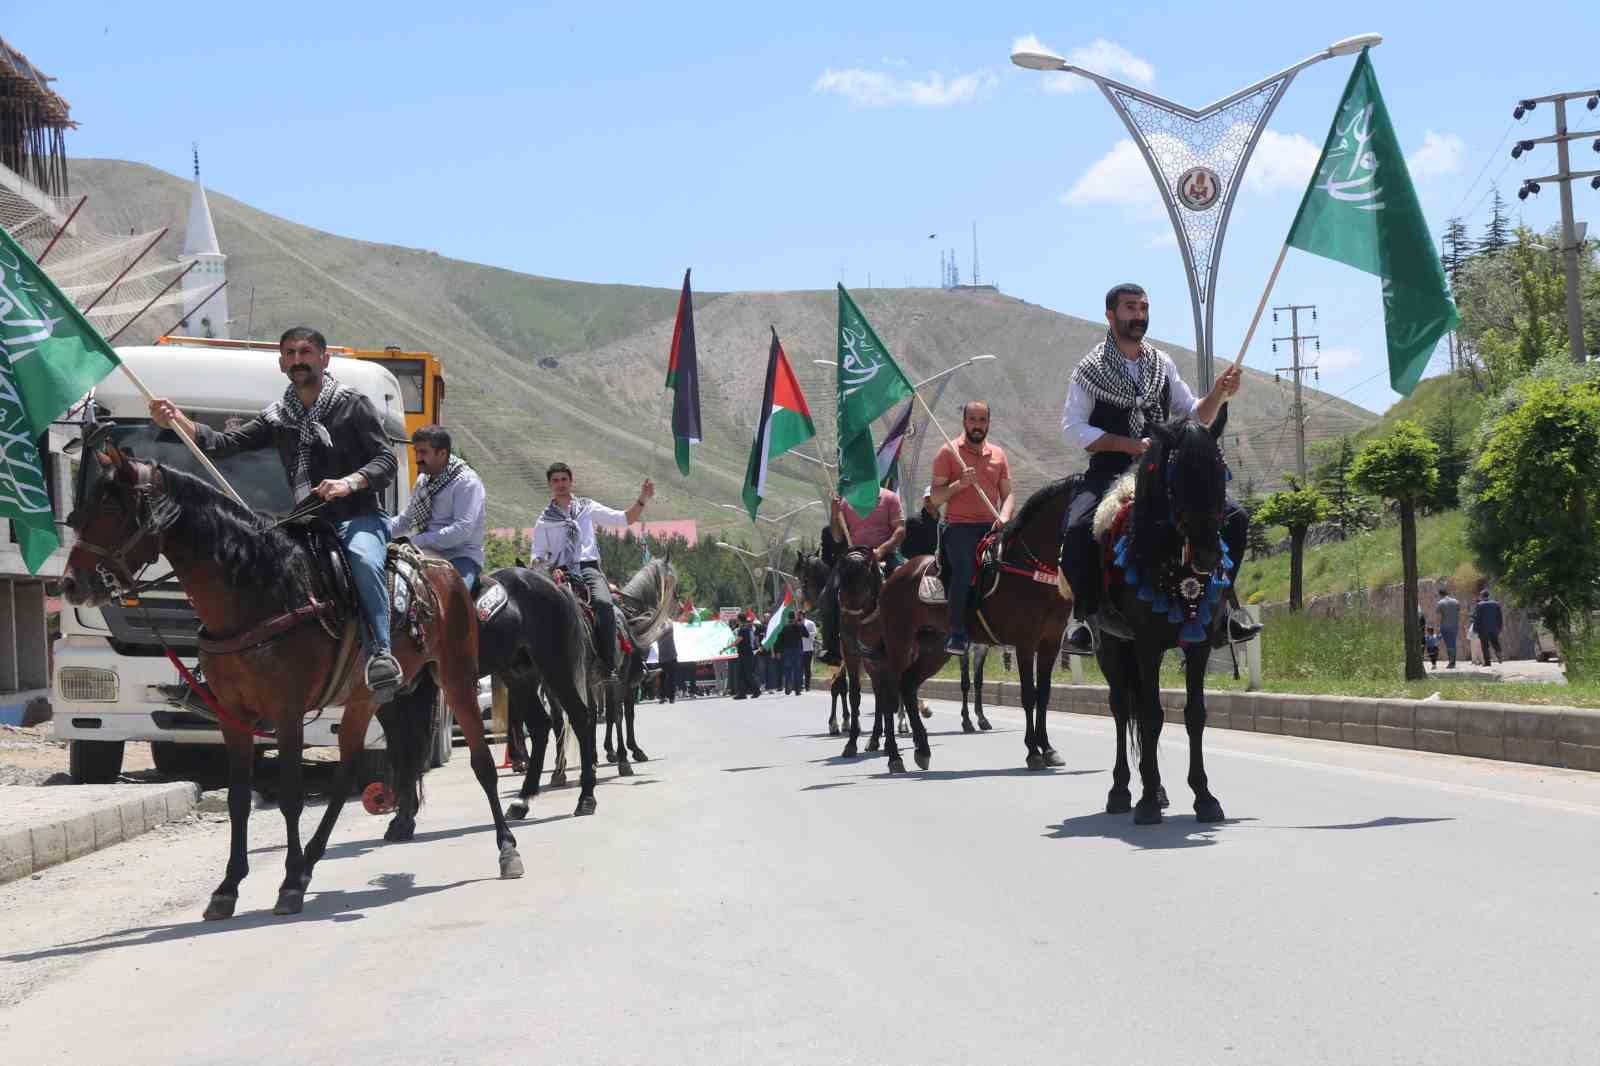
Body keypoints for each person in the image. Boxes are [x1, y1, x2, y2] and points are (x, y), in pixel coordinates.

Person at [148, 327, 404, 702]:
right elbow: (223, 444)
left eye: (306, 352)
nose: (298, 360)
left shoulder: (353, 404)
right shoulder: (278, 416)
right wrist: (177, 420)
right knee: (241, 565)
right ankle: (215, 671)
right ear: (281, 362)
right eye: (290, 353)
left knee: (364, 560)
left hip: (357, 516)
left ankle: (381, 655)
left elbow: (386, 461)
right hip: (307, 520)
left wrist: (348, 483)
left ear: (323, 359)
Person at [1059, 283, 1262, 655]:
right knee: (1076, 529)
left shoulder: (1161, 363)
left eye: (1143, 308)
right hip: (1110, 468)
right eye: (1130, 308)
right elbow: (1074, 427)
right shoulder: (1088, 370)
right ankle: (1085, 620)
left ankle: (1226, 611)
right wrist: (1131, 445)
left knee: (1233, 517)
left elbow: (1193, 415)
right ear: (1110, 315)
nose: (1138, 315)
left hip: (1163, 470)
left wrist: (1218, 392)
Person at [530, 461, 654, 681]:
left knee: (604, 603)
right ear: (549, 484)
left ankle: (608, 664)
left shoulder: (587, 507)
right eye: (555, 480)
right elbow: (537, 554)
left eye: (564, 479)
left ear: (571, 481)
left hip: (587, 568)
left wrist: (642, 498)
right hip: (559, 571)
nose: (560, 484)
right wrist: (542, 567)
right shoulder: (544, 520)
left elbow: (625, 518)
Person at [930, 401, 1014, 655]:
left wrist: (1005, 517)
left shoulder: (999, 454)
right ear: (964, 421)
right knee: (964, 569)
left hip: (992, 526)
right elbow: (935, 497)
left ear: (988, 423)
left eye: (982, 420)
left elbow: (1008, 495)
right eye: (973, 420)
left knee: (1015, 566)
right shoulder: (948, 452)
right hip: (960, 527)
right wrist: (959, 484)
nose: (977, 425)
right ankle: (957, 633)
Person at [816, 485, 907, 665]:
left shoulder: (889, 498)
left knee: (905, 587)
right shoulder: (846, 501)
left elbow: (900, 530)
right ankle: (831, 648)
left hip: (884, 553)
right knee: (828, 595)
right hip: (854, 557)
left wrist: (881, 550)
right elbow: (837, 536)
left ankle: (908, 639)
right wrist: (835, 514)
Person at [390, 424, 485, 589]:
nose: (417, 458)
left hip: (460, 557)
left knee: (453, 600)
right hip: (424, 554)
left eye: (423, 452)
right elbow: (406, 520)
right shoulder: (424, 480)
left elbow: (461, 530)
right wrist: (378, 531)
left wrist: (417, 541)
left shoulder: (466, 482)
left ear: (442, 453)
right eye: (416, 451)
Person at [1471, 588, 1504, 665]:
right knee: (1495, 643)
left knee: (1485, 645)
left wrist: (1475, 629)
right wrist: (1500, 627)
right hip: (1494, 628)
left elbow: (1477, 618)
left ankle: (1487, 662)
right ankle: (1499, 653)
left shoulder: (1479, 605)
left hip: (1483, 629)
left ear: (1481, 596)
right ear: (1488, 595)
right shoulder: (1496, 604)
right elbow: (1500, 617)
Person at [779, 611, 806, 694]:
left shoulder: (784, 627)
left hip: (787, 650)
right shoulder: (800, 625)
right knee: (797, 669)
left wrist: (779, 650)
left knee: (788, 669)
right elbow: (807, 635)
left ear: (788, 617)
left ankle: (788, 687)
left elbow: (781, 639)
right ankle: (797, 689)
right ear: (795, 617)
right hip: (797, 649)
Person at [1435, 586, 1461, 669]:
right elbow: (1459, 613)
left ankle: (1452, 662)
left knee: (1449, 644)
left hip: (1445, 626)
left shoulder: (1440, 603)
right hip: (1454, 626)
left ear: (1440, 594)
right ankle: (1452, 662)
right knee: (1452, 643)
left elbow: (1438, 617)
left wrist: (1438, 628)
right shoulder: (1456, 601)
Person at [656, 622, 678, 704]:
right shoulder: (660, 627)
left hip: (669, 656)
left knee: (669, 678)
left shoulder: (667, 625)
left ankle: (669, 697)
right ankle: (664, 697)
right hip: (664, 657)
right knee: (664, 678)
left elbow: (668, 627)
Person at [800, 610, 817, 691]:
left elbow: (815, 633)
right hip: (798, 649)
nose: (798, 616)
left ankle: (807, 685)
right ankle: (800, 684)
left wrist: (807, 634)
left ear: (803, 615)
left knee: (807, 668)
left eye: (799, 615)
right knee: (799, 668)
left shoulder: (810, 623)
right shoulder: (796, 624)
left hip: (808, 648)